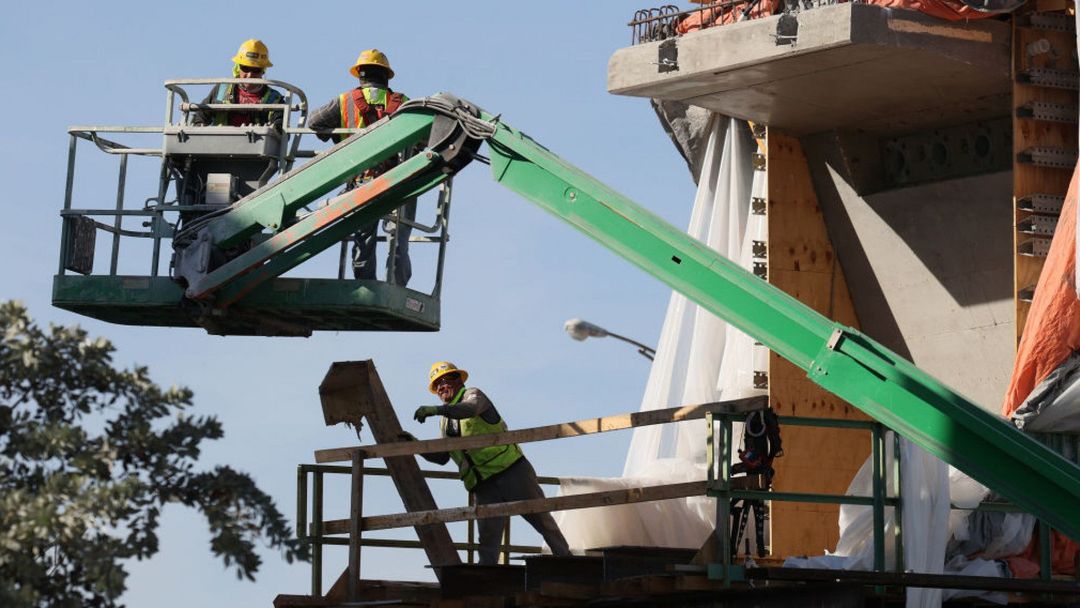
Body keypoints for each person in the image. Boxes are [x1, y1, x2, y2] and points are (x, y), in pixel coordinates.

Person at [412, 361, 572, 564]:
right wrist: (416, 446)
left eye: (446, 380)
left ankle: (566, 560)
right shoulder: (445, 422)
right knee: (488, 537)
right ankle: (486, 576)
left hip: (512, 471)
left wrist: (437, 410)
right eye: (437, 385)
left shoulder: (473, 395)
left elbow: (470, 409)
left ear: (459, 380)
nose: (442, 387)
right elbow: (443, 457)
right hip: (484, 485)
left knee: (541, 519)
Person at [307, 49, 415, 286]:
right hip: (398, 180)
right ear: (386, 76)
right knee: (399, 234)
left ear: (360, 76)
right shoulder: (404, 103)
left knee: (363, 236)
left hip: (360, 181)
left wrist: (338, 139)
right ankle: (397, 284)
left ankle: (364, 283)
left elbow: (314, 122)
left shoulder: (344, 102)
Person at [192, 39, 284, 128]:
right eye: (245, 68)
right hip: (220, 143)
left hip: (256, 143)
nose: (249, 75)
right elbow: (200, 116)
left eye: (256, 70)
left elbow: (280, 131)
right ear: (238, 67)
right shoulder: (222, 91)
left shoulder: (274, 99)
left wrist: (273, 129)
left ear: (263, 71)